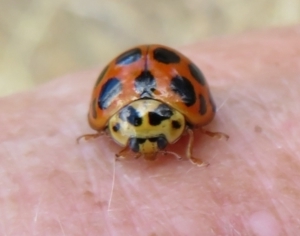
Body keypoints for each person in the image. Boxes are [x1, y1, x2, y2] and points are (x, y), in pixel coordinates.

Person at [1, 26, 298, 235]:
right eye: (138, 140)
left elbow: (196, 123)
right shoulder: (134, 113)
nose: (148, 147)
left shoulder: (177, 116)